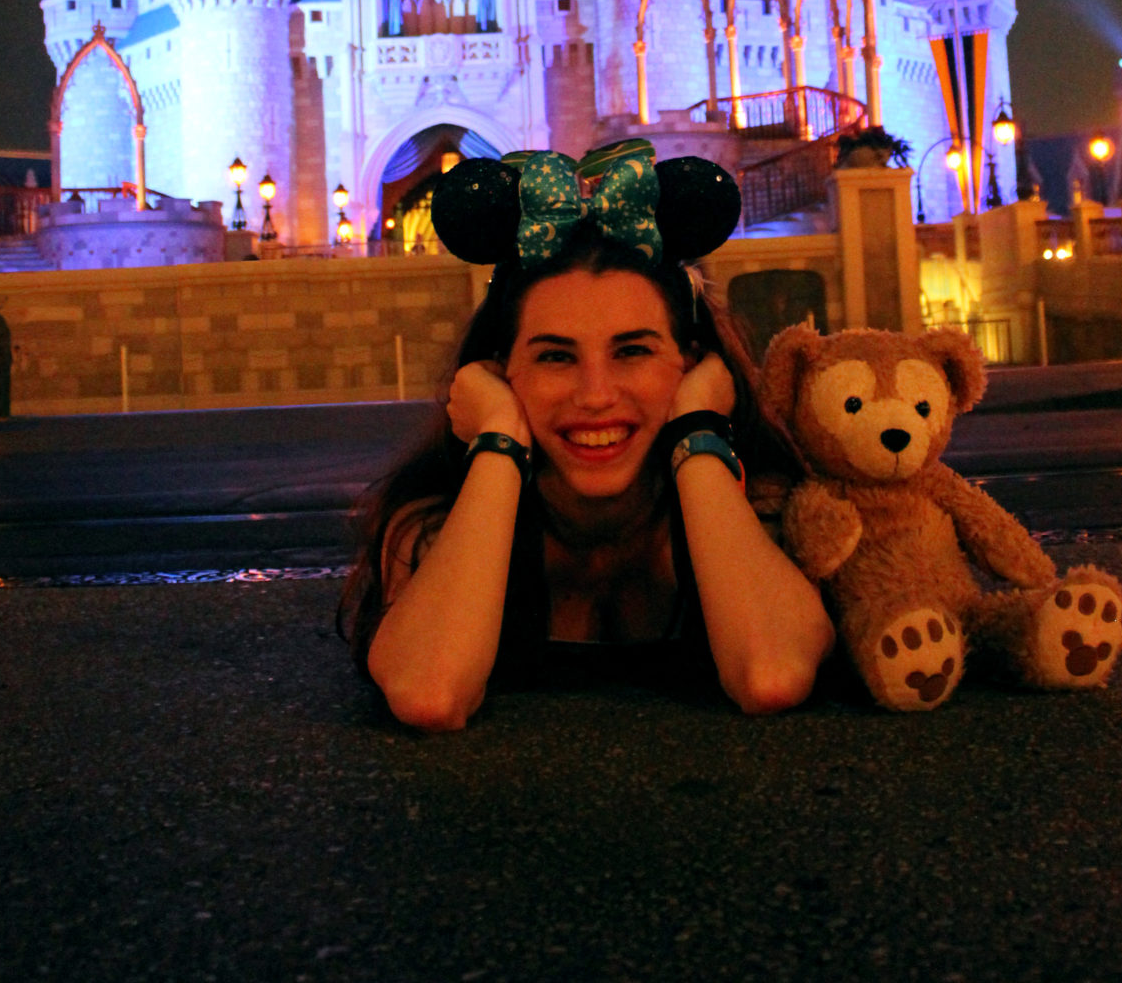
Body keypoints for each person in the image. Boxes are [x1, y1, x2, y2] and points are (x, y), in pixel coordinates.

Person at [340, 144, 836, 731]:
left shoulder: (766, 510)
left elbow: (771, 673)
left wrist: (697, 431)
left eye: (632, 351)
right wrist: (499, 439)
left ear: (694, 363)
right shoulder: (433, 528)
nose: (595, 393)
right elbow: (428, 693)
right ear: (500, 371)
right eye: (555, 356)